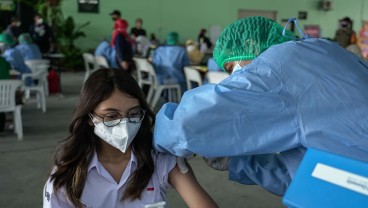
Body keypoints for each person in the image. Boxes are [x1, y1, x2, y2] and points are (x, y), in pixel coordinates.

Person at [153, 16, 368, 196]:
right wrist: (241, 162)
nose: (233, 77)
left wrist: (150, 132)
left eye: (231, 68)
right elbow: (304, 175)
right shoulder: (325, 50)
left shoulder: (277, 67)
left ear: (249, 46)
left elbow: (186, 125)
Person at [43, 68, 218, 208]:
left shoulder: (159, 159)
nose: (124, 124)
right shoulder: (68, 176)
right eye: (111, 116)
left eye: (133, 113)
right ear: (89, 118)